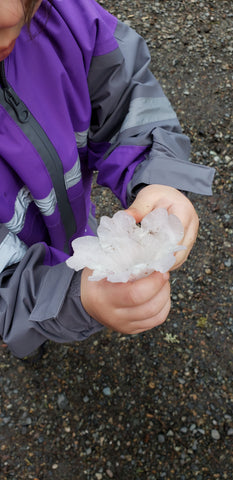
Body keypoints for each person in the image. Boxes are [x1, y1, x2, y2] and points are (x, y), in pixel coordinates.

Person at [0, 0, 215, 359]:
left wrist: (156, 176)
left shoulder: (67, 19)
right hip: (12, 282)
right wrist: (71, 299)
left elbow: (130, 96)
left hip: (72, 221)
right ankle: (32, 339)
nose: (7, 17)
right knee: (25, 327)